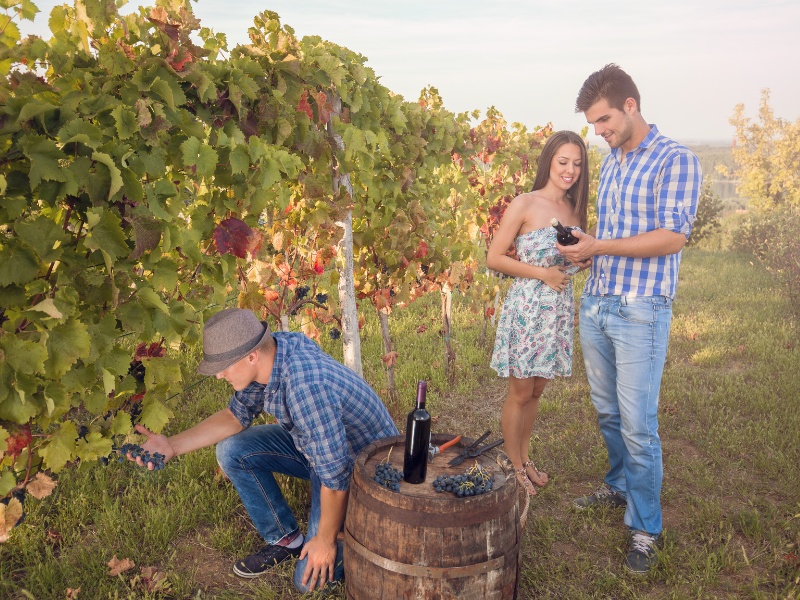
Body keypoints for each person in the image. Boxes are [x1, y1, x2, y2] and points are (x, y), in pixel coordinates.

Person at [128, 308, 399, 592]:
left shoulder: (304, 386)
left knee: (309, 582)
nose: (219, 375)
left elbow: (336, 477)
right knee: (233, 449)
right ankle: (286, 539)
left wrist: (326, 540)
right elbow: (235, 416)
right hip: (323, 450)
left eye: (224, 366)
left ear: (251, 356)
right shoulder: (273, 355)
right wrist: (172, 444)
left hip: (362, 470)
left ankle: (357, 542)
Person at [558, 64, 702, 574]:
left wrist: (602, 246)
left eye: (603, 120)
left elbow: (672, 237)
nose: (598, 131)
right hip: (597, 301)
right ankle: (619, 484)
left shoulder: (675, 160)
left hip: (641, 308)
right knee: (607, 412)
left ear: (631, 106)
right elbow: (614, 232)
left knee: (640, 426)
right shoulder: (614, 159)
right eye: (594, 124)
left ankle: (645, 526)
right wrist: (587, 253)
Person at [488, 130, 590, 497]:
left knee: (537, 390)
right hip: (529, 307)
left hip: (558, 309)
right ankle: (513, 465)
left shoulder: (575, 209)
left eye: (577, 164)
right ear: (549, 161)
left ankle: (526, 457)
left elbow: (573, 259)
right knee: (519, 391)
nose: (570, 170)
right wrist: (543, 273)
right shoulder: (525, 203)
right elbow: (494, 257)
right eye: (563, 162)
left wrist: (583, 259)